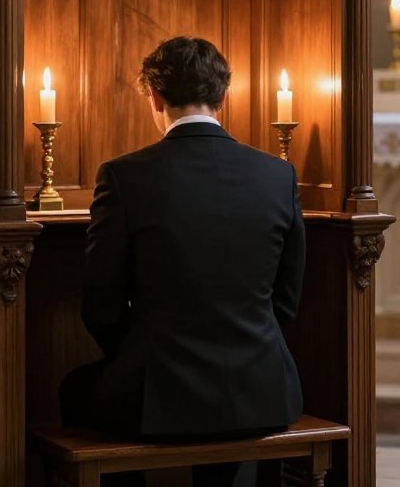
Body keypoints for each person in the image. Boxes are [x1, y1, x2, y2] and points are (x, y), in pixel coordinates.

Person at [59, 36, 306, 487]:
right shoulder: (278, 174)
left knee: (73, 391)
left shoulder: (123, 175)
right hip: (263, 392)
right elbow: (287, 300)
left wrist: (141, 357)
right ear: (224, 96)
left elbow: (100, 306)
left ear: (154, 95)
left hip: (160, 397)